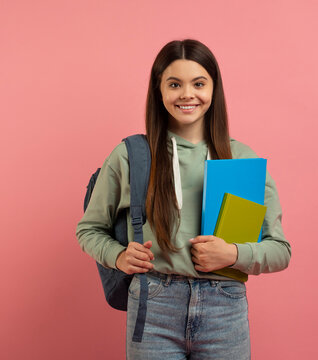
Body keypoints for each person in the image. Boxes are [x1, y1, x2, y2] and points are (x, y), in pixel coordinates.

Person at [76, 39, 291, 359]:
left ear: (214, 89)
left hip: (224, 311)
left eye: (199, 83)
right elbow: (89, 229)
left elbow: (280, 251)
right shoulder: (131, 156)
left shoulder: (240, 161)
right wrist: (118, 256)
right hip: (154, 307)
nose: (187, 94)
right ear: (159, 91)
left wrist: (231, 253)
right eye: (174, 84)